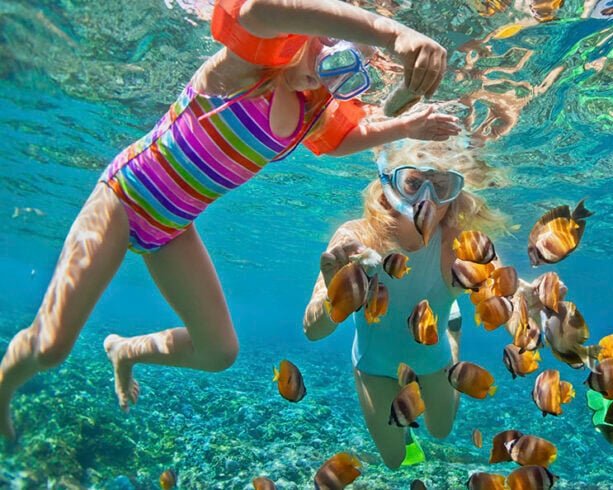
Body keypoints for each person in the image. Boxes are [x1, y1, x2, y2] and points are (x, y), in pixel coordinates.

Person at [0, 0, 462, 441]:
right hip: (123, 198)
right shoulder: (248, 67)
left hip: (172, 229)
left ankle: (125, 350)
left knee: (219, 352)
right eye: (328, 47)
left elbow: (345, 138)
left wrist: (405, 126)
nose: (325, 68)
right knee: (51, 346)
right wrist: (394, 34)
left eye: (344, 73)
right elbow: (259, 12)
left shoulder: (308, 110)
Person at [302, 138, 508, 469]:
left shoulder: (459, 242)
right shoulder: (356, 237)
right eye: (412, 183)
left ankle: (452, 336)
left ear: (454, 195)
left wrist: (531, 304)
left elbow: (504, 292)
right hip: (374, 365)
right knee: (395, 460)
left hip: (432, 355)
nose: (425, 199)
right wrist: (334, 295)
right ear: (389, 183)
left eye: (441, 186)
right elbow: (312, 331)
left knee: (441, 431)